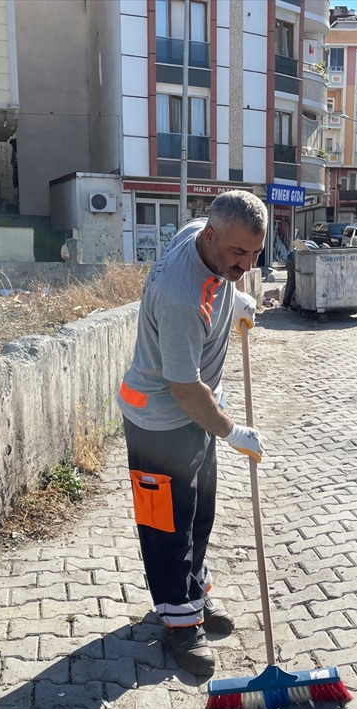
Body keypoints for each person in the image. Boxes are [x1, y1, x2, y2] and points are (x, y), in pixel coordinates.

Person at [117, 191, 267, 677]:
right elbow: (184, 388)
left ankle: (193, 595)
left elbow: (220, 281)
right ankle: (181, 624)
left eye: (255, 254)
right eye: (237, 254)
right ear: (210, 237)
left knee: (200, 514)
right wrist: (232, 432)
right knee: (166, 527)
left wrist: (235, 296)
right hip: (159, 422)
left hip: (194, 416)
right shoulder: (181, 297)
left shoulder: (201, 238)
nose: (245, 264)